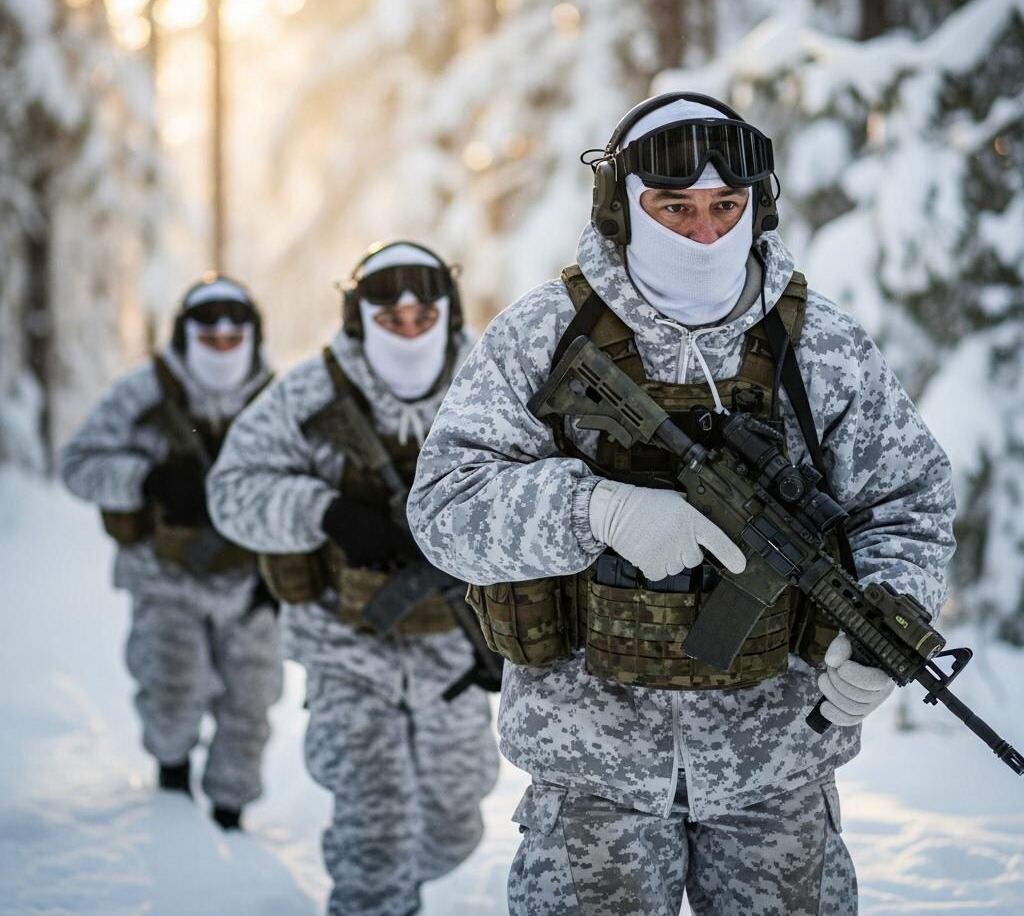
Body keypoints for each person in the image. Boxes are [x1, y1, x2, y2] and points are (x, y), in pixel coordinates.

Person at [406, 93, 956, 915]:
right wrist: (597, 510)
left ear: (757, 209)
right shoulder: (543, 335)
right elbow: (446, 507)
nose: (705, 233)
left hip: (777, 770)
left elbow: (909, 501)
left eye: (725, 207)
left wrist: (889, 621)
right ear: (623, 208)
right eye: (675, 208)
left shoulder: (821, 347)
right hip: (590, 774)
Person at [206, 241, 500, 916]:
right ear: (357, 315)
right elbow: (232, 491)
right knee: (375, 822)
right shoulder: (313, 391)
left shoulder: (493, 379)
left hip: (454, 642)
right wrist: (325, 511)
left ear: (448, 314)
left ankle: (399, 884)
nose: (406, 330)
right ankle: (379, 896)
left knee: (457, 819)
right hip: (345, 643)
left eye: (422, 317)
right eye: (389, 318)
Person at [60, 275, 283, 831]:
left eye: (236, 336)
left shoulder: (279, 399)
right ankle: (172, 796)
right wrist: (148, 479)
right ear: (186, 334)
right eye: (210, 335)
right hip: (163, 576)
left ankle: (231, 819)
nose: (224, 344)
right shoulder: (143, 392)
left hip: (251, 583)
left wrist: (285, 570)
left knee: (251, 705)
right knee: (171, 691)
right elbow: (78, 466)